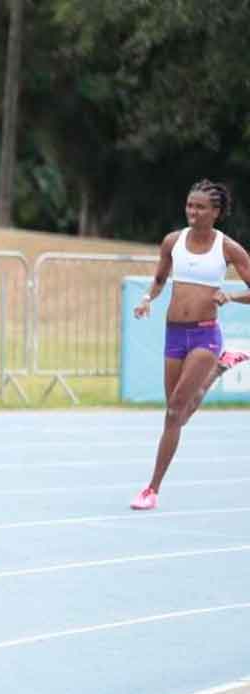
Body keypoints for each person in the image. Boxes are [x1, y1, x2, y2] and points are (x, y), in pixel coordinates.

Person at [131, 179, 250, 510]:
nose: (193, 212)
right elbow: (157, 281)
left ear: (216, 212)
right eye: (189, 205)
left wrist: (232, 295)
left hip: (204, 334)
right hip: (174, 334)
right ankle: (221, 368)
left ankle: (151, 489)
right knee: (179, 412)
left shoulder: (229, 249)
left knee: (174, 412)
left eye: (200, 207)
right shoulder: (173, 241)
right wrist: (146, 300)